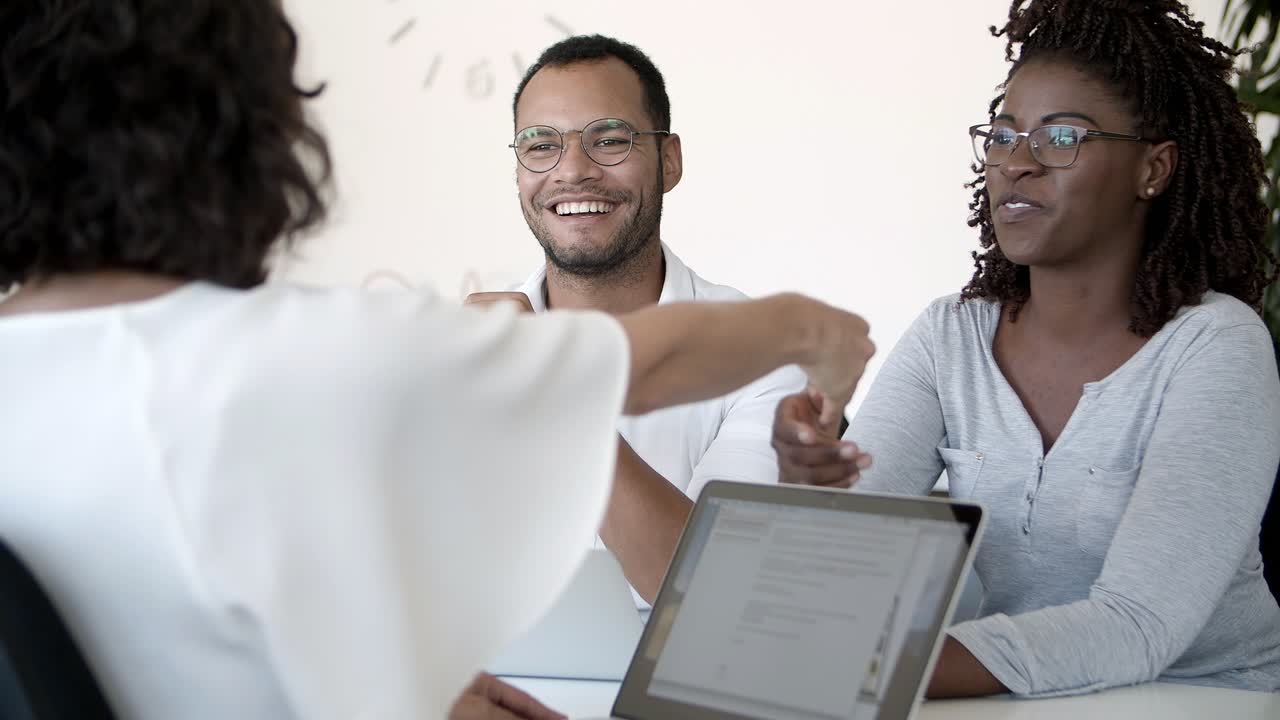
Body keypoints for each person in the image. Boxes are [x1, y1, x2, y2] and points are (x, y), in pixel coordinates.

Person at [0, 2, 876, 719]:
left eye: (608, 139)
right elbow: (641, 364)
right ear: (246, 142)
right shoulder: (317, 350)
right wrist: (811, 331)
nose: (573, 168)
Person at [772, 0, 1280, 698]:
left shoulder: (1215, 348)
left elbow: (1137, 624)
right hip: (1020, 702)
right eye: (1003, 136)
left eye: (1061, 136)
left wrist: (870, 667)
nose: (1018, 164)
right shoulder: (949, 337)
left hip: (1208, 699)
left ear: (1153, 169)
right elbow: (842, 561)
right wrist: (809, 478)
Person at [466, 36, 850, 602]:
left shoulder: (767, 361)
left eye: (610, 140)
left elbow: (712, 589)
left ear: (668, 161)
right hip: (489, 688)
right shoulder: (458, 352)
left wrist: (555, 391)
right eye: (541, 145)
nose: (573, 171)